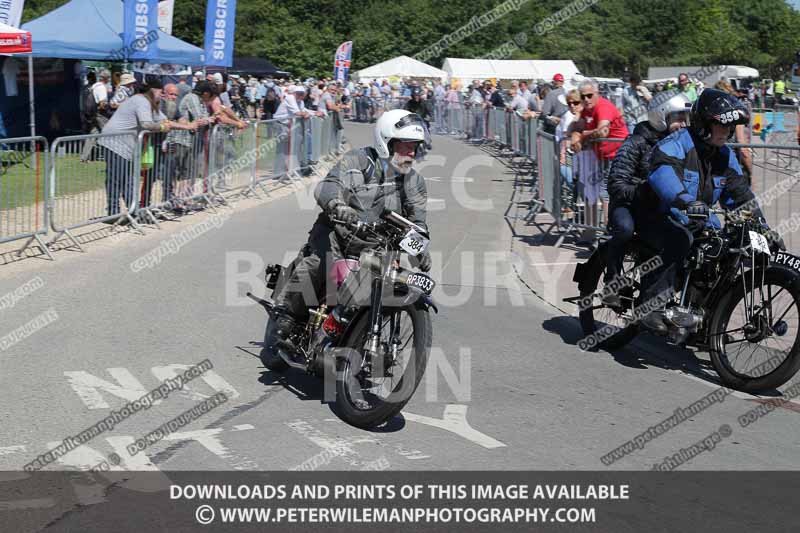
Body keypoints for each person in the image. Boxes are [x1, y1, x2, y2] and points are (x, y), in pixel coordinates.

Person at [263, 109, 431, 361]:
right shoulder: (358, 161)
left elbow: (416, 222)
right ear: (386, 142)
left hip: (375, 249)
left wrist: (420, 248)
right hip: (336, 236)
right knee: (318, 263)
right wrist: (337, 205)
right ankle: (286, 316)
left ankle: (352, 333)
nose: (411, 153)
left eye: (414, 147)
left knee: (381, 282)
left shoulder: (414, 182)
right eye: (405, 145)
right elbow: (329, 186)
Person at [640, 88, 781, 332]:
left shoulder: (725, 155)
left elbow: (740, 194)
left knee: (724, 247)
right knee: (681, 239)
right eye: (721, 125)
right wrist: (685, 201)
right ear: (704, 124)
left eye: (730, 126)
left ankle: (700, 314)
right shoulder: (677, 143)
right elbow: (662, 173)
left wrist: (763, 228)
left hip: (699, 219)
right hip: (658, 215)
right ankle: (651, 306)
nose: (727, 131)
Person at [602, 92, 691, 306]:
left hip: (655, 210)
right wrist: (642, 191)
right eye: (678, 118)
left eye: (685, 118)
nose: (683, 124)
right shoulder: (636, 142)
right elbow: (616, 183)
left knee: (683, 239)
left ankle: (655, 296)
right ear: (661, 116)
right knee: (624, 229)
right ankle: (611, 281)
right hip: (627, 205)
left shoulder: (678, 146)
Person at [98, 77, 196, 217]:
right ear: (153, 90)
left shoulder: (149, 103)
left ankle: (134, 210)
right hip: (114, 142)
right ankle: (113, 212)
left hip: (126, 145)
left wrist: (187, 126)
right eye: (160, 92)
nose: (162, 95)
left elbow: (165, 121)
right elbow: (147, 124)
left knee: (128, 179)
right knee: (116, 178)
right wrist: (161, 127)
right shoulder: (141, 101)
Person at [570, 80, 629, 241]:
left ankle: (609, 230)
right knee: (592, 191)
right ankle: (594, 231)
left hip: (617, 155)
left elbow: (603, 131)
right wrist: (576, 135)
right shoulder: (586, 109)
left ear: (597, 94)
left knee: (605, 192)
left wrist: (583, 135)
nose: (586, 99)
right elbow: (574, 128)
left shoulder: (603, 107)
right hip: (600, 156)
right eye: (583, 96)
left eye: (589, 95)